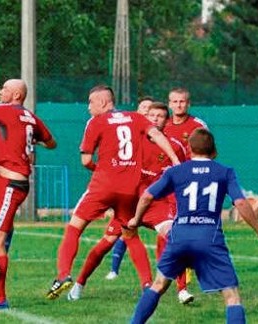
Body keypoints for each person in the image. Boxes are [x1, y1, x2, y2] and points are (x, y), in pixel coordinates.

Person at [46, 85, 180, 300]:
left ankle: (63, 275)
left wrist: (102, 169)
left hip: (103, 186)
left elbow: (86, 160)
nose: (88, 108)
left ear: (103, 102)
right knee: (130, 235)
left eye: (90, 103)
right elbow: (155, 134)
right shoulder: (135, 118)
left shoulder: (96, 122)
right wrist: (175, 160)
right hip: (130, 190)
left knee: (74, 227)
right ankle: (147, 284)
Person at [128, 128, 258, 324]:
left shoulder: (176, 171)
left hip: (180, 236)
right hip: (209, 238)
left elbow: (147, 196)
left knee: (159, 284)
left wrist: (136, 219)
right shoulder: (224, 172)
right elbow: (239, 202)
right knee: (232, 296)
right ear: (214, 151)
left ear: (189, 149)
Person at [69, 102, 192, 302]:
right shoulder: (131, 138)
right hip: (128, 201)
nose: (155, 119)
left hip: (154, 203)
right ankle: (79, 283)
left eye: (160, 116)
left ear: (166, 120)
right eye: (151, 114)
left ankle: (181, 289)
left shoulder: (174, 146)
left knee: (173, 235)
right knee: (106, 243)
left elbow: (182, 173)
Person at [0, 79, 56, 309]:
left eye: (5, 89)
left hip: (11, 184)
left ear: (16, 95)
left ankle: (0, 300)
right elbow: (51, 143)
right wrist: (29, 144)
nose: (0, 91)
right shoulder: (31, 117)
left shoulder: (2, 110)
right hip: (9, 182)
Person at [106, 96, 154, 280]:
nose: (147, 111)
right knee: (123, 229)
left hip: (152, 189)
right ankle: (113, 269)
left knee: (167, 229)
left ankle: (179, 278)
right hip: (131, 189)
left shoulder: (158, 133)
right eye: (143, 107)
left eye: (150, 108)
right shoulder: (129, 130)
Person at [164, 87, 208, 158]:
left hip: (190, 167)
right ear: (170, 104)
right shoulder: (164, 125)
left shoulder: (198, 125)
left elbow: (206, 153)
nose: (178, 105)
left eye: (182, 102)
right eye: (175, 102)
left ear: (188, 104)